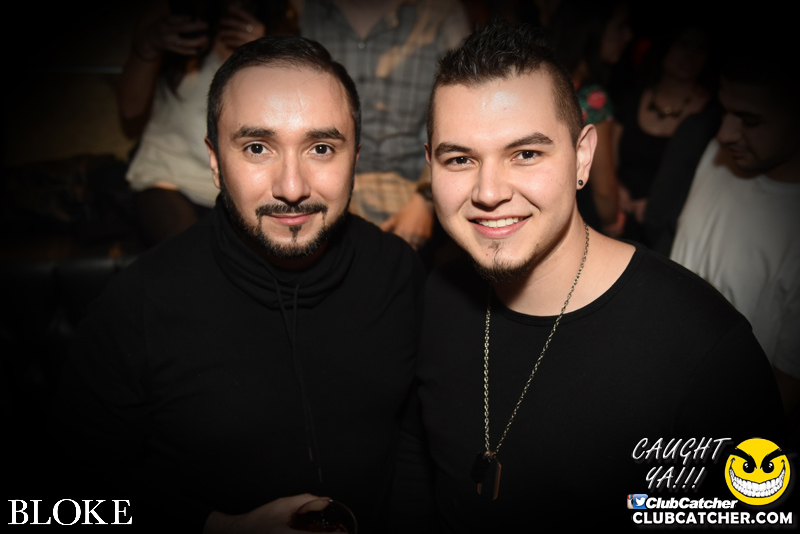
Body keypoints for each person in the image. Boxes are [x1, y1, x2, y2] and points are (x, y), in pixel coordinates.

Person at [408, 22, 784, 530]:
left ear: (583, 155)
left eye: (526, 154)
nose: (489, 192)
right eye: (459, 159)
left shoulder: (705, 349)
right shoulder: (436, 296)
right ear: (430, 167)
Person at [50, 35, 424, 532]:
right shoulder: (137, 304)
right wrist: (214, 527)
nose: (292, 187)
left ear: (355, 156)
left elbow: (418, 444)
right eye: (256, 148)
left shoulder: (398, 273)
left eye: (321, 148)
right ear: (214, 161)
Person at [670, 34, 800, 433]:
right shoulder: (719, 152)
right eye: (725, 112)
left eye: (750, 120)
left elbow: (785, 388)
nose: (725, 133)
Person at [120, 0, 297, 246]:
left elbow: (294, 117)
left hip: (245, 186)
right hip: (167, 176)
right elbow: (129, 111)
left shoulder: (280, 26)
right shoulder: (171, 14)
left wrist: (267, 55)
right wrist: (147, 47)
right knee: (193, 254)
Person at [298, 0, 470, 251]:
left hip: (410, 191)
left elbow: (465, 113)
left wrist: (426, 199)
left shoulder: (441, 12)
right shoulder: (300, 11)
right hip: (322, 188)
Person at [549, 0, 632, 236]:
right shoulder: (593, 99)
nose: (628, 35)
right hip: (578, 224)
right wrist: (612, 222)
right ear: (593, 30)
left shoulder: (541, 80)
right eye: (620, 26)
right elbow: (604, 193)